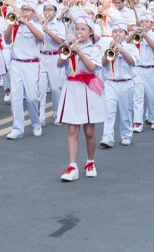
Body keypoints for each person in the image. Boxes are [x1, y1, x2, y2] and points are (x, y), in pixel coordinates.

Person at [56, 14, 103, 182]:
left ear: (90, 32)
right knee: (72, 129)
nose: (79, 32)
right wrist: (67, 50)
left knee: (89, 131)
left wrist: (79, 52)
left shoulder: (94, 49)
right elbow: (59, 64)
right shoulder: (68, 45)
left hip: (87, 89)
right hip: (72, 87)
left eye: (83, 29)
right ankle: (72, 166)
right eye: (77, 29)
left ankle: (90, 162)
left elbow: (92, 68)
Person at [5, 0, 45, 140]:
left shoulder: (36, 25)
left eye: (27, 10)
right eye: (23, 9)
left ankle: (36, 123)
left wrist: (26, 23)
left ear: (33, 12)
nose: (24, 12)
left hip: (31, 64)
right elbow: (6, 40)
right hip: (16, 63)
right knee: (15, 97)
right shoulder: (15, 25)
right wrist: (11, 25)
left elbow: (40, 38)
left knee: (32, 97)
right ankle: (17, 128)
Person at [99, 17, 137, 148]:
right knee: (109, 111)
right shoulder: (107, 46)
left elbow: (132, 62)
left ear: (126, 34)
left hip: (126, 82)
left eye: (120, 32)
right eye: (115, 32)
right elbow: (103, 64)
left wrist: (122, 50)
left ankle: (126, 135)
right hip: (110, 82)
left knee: (126, 111)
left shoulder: (131, 47)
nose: (117, 34)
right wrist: (109, 53)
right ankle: (107, 137)